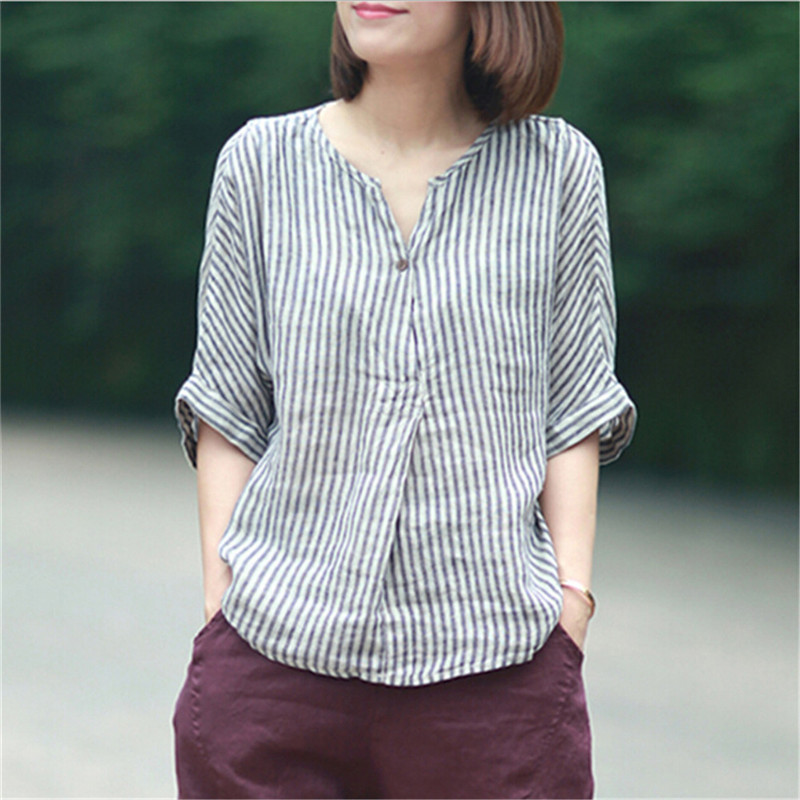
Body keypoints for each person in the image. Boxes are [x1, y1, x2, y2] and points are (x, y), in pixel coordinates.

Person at [172, 2, 636, 798]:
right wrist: (222, 602)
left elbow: (574, 407)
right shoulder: (259, 164)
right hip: (275, 672)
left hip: (496, 683)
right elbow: (228, 406)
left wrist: (572, 605)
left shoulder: (558, 170)